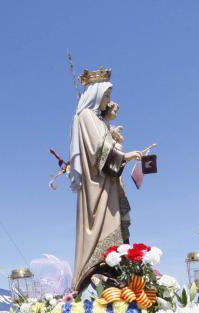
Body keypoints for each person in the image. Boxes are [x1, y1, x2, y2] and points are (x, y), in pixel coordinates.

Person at [69, 68, 149, 289]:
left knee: (117, 238)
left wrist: (113, 137)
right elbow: (98, 151)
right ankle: (99, 274)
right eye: (106, 95)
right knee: (103, 233)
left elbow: (104, 145)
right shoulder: (85, 116)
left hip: (108, 186)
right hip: (98, 188)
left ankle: (113, 275)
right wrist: (125, 154)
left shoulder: (95, 118)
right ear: (95, 94)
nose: (108, 101)